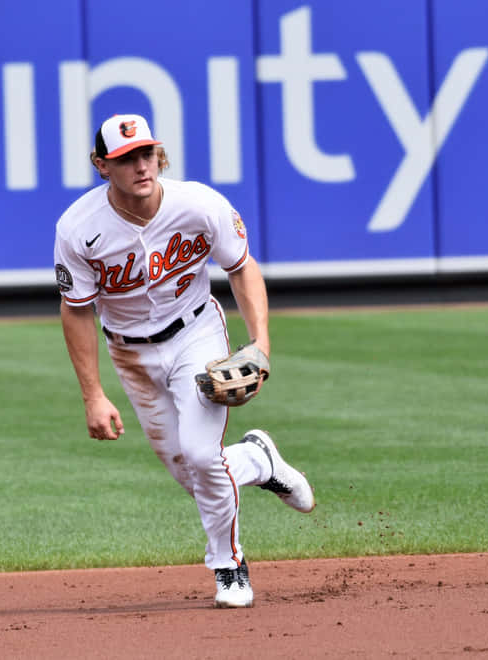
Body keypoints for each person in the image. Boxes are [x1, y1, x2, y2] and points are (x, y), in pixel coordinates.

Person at [53, 113, 315, 608]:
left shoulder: (198, 204)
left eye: (146, 154)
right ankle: (258, 460)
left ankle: (228, 567)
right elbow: (76, 311)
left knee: (200, 455)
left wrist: (260, 344)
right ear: (101, 166)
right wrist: (93, 394)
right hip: (130, 353)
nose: (140, 165)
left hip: (197, 333)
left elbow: (242, 267)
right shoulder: (78, 229)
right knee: (191, 474)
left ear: (160, 156)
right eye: (125, 158)